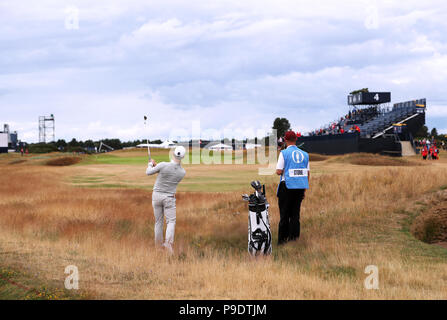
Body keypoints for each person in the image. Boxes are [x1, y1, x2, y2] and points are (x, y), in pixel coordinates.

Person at [146, 146, 186, 254]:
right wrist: (158, 166)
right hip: (169, 198)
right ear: (183, 157)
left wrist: (151, 164)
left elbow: (148, 172)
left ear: (173, 154)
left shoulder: (163, 165)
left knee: (158, 222)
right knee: (171, 222)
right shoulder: (182, 172)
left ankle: (158, 247)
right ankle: (168, 245)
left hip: (156, 196)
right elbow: (171, 171)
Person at [276, 131, 310, 245]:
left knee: (284, 214)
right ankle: (294, 239)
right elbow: (307, 173)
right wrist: (304, 190)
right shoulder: (305, 154)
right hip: (300, 187)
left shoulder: (284, 153)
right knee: (295, 215)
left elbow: (278, 171)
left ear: (285, 140)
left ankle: (282, 240)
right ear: (296, 139)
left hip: (286, 186)